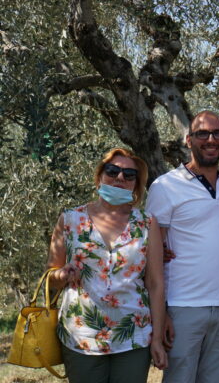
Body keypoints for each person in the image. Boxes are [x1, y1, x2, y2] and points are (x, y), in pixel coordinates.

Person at [47, 148, 168, 383]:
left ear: (136, 184)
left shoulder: (147, 223)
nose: (120, 178)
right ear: (100, 175)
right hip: (81, 336)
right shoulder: (70, 219)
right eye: (112, 171)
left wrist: (156, 340)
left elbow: (155, 284)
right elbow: (50, 275)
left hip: (133, 335)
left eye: (129, 175)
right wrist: (61, 275)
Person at [146, 110, 219, 383]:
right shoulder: (165, 186)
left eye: (217, 133)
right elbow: (152, 258)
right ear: (188, 140)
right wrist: (160, 313)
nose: (210, 139)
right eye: (202, 133)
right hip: (182, 307)